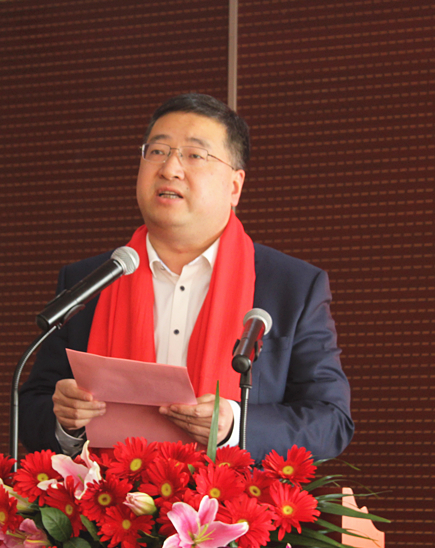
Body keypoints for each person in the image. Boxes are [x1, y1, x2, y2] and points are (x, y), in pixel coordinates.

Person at [18, 93, 353, 461]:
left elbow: (331, 420)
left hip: (235, 498)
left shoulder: (291, 287)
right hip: (109, 496)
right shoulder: (91, 281)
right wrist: (66, 422)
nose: (170, 169)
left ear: (234, 186)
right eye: (157, 151)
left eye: (194, 155)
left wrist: (234, 425)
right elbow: (32, 408)